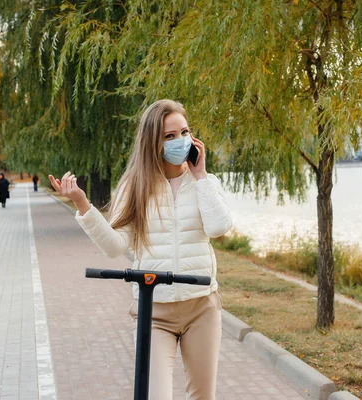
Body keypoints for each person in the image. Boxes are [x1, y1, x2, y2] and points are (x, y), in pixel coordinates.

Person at [49, 99, 232, 399]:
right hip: (154, 311)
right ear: (153, 142)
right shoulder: (135, 186)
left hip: (201, 307)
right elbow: (115, 246)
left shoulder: (205, 183)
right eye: (169, 136)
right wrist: (83, 204)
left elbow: (219, 228)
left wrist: (200, 176)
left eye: (184, 132)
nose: (180, 141)